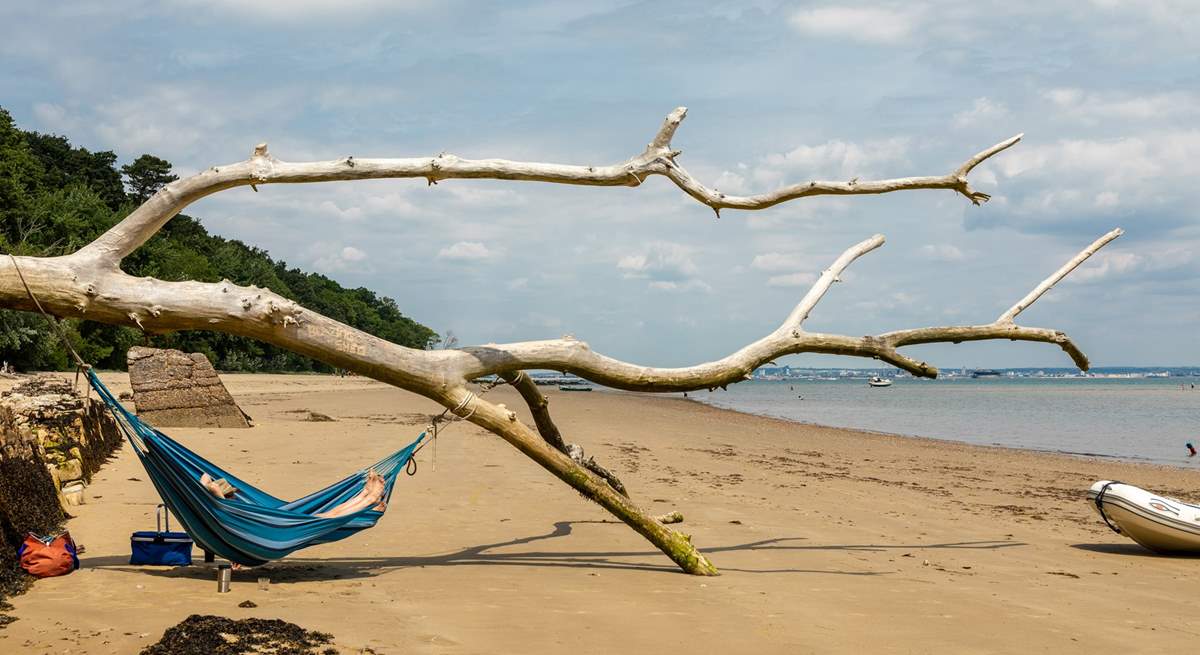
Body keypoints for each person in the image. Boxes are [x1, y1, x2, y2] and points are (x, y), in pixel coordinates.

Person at [199, 470, 387, 517]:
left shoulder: (225, 508)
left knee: (332, 514)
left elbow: (209, 483)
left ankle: (366, 496)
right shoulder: (225, 505)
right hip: (276, 529)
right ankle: (369, 498)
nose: (234, 495)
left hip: (279, 524)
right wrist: (208, 486)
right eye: (231, 493)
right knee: (332, 515)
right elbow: (213, 487)